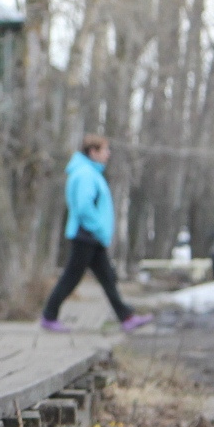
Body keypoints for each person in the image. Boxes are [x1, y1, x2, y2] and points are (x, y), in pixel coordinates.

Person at [40, 135, 152, 333]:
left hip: (91, 236)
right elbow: (84, 207)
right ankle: (49, 315)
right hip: (87, 235)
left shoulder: (89, 172)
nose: (108, 154)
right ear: (92, 152)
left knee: (107, 277)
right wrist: (99, 227)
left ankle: (126, 317)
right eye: (104, 150)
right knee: (72, 277)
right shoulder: (85, 174)